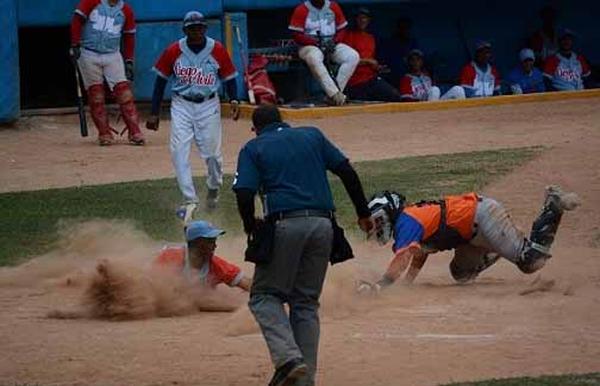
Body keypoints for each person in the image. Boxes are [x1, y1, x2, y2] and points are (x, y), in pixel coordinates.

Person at [233, 105, 373, 386]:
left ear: (256, 128)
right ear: (283, 121)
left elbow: (245, 192)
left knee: (263, 296)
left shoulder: (254, 147)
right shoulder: (312, 135)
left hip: (285, 225)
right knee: (305, 303)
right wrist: (363, 213)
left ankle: (287, 359)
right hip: (324, 227)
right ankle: (304, 379)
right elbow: (347, 172)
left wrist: (250, 225)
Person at [356, 186, 579, 293]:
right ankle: (499, 245)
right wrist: (407, 284)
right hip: (471, 234)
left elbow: (402, 258)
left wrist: (379, 286)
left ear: (388, 213)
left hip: (482, 217)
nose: (374, 227)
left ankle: (553, 205)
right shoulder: (408, 222)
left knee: (530, 261)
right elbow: (419, 253)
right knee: (461, 274)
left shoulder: (407, 222)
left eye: (376, 221)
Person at [145, 11, 240, 215]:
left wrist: (234, 99)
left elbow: (229, 77)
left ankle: (213, 188)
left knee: (213, 155)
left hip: (208, 104)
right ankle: (189, 199)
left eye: (199, 28)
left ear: (205, 29)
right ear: (185, 30)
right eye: (192, 28)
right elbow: (160, 80)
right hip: (181, 105)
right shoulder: (173, 50)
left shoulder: (217, 49)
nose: (196, 31)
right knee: (178, 151)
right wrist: (153, 112)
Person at [69, 0, 145, 146]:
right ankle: (104, 133)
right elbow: (77, 21)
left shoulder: (126, 10)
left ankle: (134, 131)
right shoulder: (90, 2)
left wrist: (129, 60)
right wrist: (75, 43)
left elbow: (129, 36)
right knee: (96, 95)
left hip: (112, 54)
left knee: (124, 94)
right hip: (88, 52)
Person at [289, 0, 359, 106]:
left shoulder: (333, 6)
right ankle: (334, 94)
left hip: (331, 43)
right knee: (314, 57)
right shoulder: (302, 9)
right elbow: (296, 34)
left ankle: (334, 94)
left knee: (353, 56)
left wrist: (334, 41)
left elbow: (342, 29)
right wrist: (316, 42)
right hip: (309, 45)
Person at [156, 220, 252, 291]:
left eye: (214, 241)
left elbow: (247, 283)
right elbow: (153, 285)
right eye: (210, 242)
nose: (215, 246)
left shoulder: (217, 265)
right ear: (197, 243)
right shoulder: (170, 257)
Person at [341, 8, 403, 102]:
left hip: (370, 78)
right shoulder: (348, 36)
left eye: (365, 18)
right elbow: (344, 60)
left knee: (394, 95)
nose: (362, 20)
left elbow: (372, 60)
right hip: (355, 82)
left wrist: (377, 67)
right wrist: (368, 61)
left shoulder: (371, 38)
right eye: (360, 18)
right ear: (355, 20)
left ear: (369, 20)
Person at [399, 49, 465, 101]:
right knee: (434, 90)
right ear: (409, 62)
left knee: (458, 90)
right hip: (420, 107)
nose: (415, 62)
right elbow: (406, 99)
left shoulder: (427, 77)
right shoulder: (406, 79)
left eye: (418, 59)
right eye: (413, 60)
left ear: (422, 61)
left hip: (434, 103)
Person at [378, 17, 419, 86]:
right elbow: (383, 63)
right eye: (402, 27)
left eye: (407, 28)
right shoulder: (389, 42)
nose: (404, 30)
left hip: (409, 76)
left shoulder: (412, 43)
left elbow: (417, 60)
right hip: (392, 76)